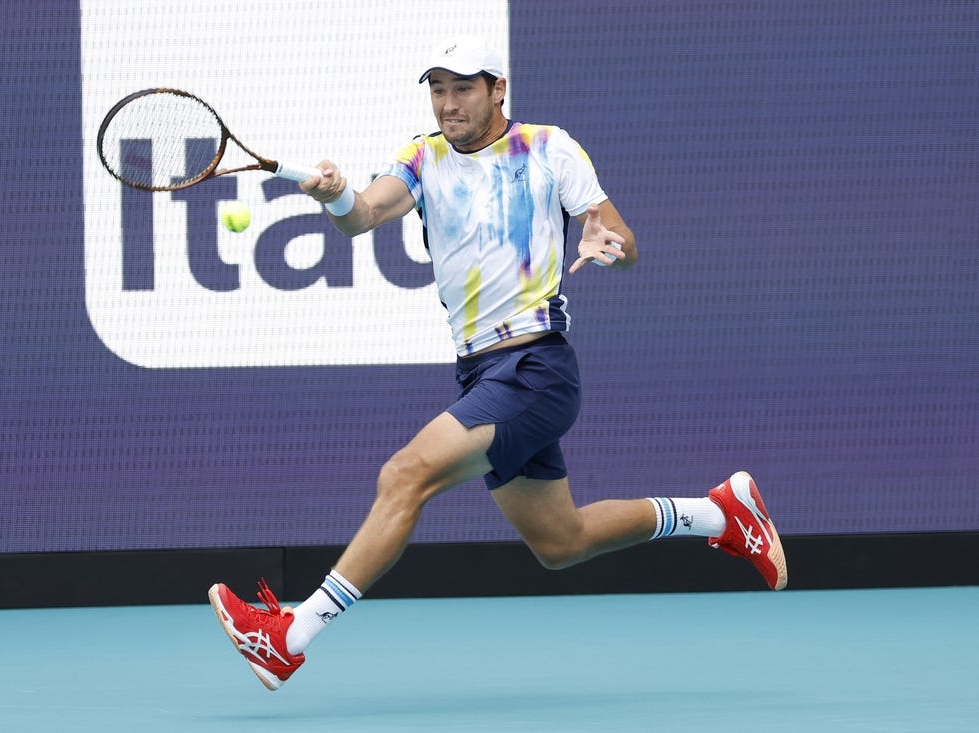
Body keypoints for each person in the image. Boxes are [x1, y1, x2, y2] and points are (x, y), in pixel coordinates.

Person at [208, 36, 788, 691]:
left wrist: (609, 244)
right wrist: (337, 195)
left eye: (462, 88)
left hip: (535, 368)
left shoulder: (548, 148)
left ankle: (289, 635)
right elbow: (364, 215)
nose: (448, 104)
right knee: (561, 542)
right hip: (484, 373)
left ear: (497, 89)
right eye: (437, 89)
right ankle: (722, 513)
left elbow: (620, 240)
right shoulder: (421, 158)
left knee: (406, 475)